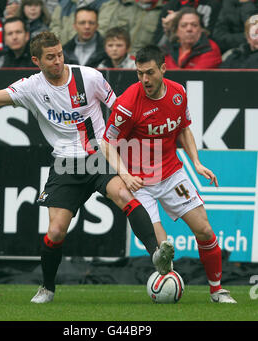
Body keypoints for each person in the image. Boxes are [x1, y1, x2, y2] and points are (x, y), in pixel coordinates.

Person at [0, 31, 172, 304]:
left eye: (60, 54)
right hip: (64, 164)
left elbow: (121, 111)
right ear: (36, 60)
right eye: (50, 57)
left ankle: (157, 254)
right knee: (56, 231)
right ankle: (47, 288)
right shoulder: (31, 87)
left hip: (98, 156)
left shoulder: (90, 77)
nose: (57, 61)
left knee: (124, 195)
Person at [101, 45, 237, 304]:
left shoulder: (178, 93)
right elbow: (107, 142)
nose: (144, 79)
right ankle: (167, 280)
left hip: (172, 173)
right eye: (139, 73)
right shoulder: (128, 104)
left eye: (150, 72)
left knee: (205, 230)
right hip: (140, 182)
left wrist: (195, 162)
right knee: (162, 248)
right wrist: (125, 175)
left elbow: (183, 129)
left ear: (163, 68)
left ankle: (217, 291)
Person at [153, 0, 222, 47]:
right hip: (173, 50)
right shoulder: (171, 5)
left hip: (200, 51)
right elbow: (158, 43)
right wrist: (168, 28)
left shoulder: (213, 4)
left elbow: (211, 37)